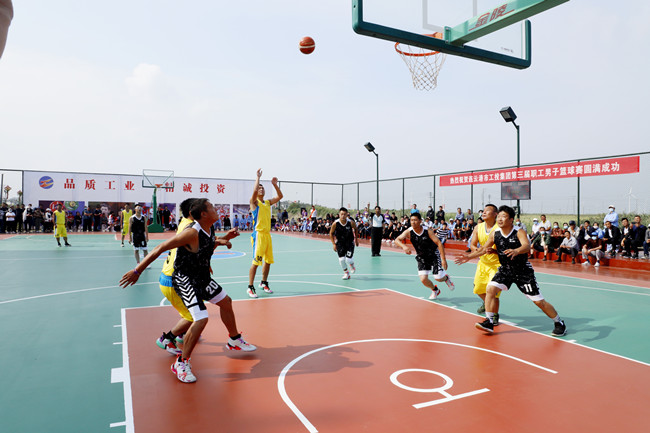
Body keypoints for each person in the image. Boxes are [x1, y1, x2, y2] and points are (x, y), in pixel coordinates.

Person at [120, 198, 256, 383]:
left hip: (201, 277)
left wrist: (224, 239)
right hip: (185, 279)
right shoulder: (191, 232)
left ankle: (234, 339)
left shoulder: (209, 228)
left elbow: (207, 245)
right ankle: (181, 363)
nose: (216, 209)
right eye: (212, 207)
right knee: (200, 318)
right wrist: (137, 271)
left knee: (226, 301)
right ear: (203, 214)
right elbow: (160, 247)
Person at [455, 205, 566, 336]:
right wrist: (468, 257)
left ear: (511, 219)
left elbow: (526, 246)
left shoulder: (519, 231)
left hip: (522, 271)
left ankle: (559, 322)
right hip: (505, 270)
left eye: (504, 216)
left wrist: (516, 251)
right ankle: (489, 321)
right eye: (499, 216)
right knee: (490, 289)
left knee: (539, 301)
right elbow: (483, 249)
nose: (500, 219)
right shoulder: (495, 233)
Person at [455, 204, 502, 319]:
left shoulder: (499, 228)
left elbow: (504, 249)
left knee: (492, 292)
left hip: (497, 265)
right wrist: (476, 251)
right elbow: (472, 244)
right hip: (483, 263)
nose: (484, 212)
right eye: (483, 211)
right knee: (478, 290)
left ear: (495, 214)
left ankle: (494, 315)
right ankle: (487, 303)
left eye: (487, 211)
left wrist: (493, 251)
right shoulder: (478, 227)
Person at [394, 212, 455, 300]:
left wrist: (443, 259)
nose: (413, 222)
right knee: (423, 280)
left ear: (420, 221)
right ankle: (435, 290)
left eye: (415, 220)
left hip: (433, 255)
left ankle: (446, 278)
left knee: (438, 277)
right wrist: (404, 246)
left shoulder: (427, 231)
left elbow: (439, 243)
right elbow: (397, 240)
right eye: (411, 220)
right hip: (421, 257)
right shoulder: (409, 232)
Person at [246, 169, 283, 298]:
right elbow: (255, 190)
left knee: (268, 261)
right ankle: (250, 287)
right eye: (259, 188)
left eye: (263, 188)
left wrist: (275, 185)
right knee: (256, 262)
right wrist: (258, 178)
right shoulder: (254, 202)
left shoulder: (267, 203)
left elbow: (280, 196)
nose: (261, 189)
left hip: (267, 235)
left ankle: (264, 282)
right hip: (259, 235)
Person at [330, 207, 360, 280]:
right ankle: (346, 273)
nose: (343, 216)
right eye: (341, 214)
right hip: (340, 243)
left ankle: (352, 265)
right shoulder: (335, 223)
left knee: (348, 260)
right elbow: (331, 233)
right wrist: (333, 244)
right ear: (339, 214)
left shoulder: (350, 222)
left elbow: (356, 229)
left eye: (344, 214)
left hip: (349, 243)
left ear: (347, 215)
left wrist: (356, 240)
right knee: (341, 260)